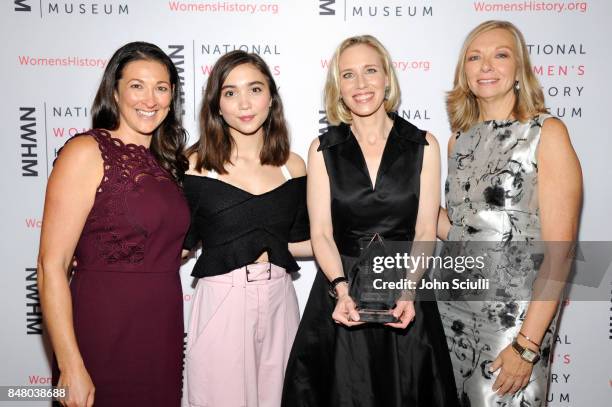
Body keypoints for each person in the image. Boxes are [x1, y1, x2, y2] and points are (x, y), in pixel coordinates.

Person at [282, 35, 459, 407]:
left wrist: (409, 289)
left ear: (387, 78)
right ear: (338, 87)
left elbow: (426, 231)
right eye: (348, 75)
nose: (360, 84)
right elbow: (321, 234)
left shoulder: (424, 144)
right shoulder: (322, 150)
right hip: (340, 290)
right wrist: (342, 290)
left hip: (406, 292)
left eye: (370, 71)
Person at [436, 20, 582, 406]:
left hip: (513, 320)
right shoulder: (458, 140)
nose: (486, 66)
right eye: (475, 57)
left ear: (520, 69)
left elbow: (561, 253)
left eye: (500, 55)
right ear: (464, 72)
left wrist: (527, 346)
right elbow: (462, 229)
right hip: (450, 311)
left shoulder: (546, 133)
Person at [38, 42, 189, 407]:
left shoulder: (166, 165)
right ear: (115, 92)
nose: (150, 99)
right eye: (137, 85)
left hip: (162, 330)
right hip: (105, 328)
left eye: (161, 87)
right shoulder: (87, 152)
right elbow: (50, 267)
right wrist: (70, 364)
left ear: (172, 97)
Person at [182, 50, 311, 407]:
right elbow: (180, 245)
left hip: (281, 298)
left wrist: (366, 236)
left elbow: (300, 241)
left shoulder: (293, 166)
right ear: (216, 105)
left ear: (271, 98)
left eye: (255, 89)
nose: (244, 102)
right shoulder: (195, 167)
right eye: (230, 92)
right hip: (223, 298)